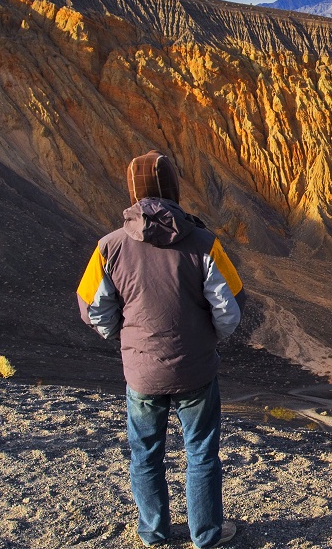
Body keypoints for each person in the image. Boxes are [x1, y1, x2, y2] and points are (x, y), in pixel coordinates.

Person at [75, 150, 245, 548]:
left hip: (141, 374)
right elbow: (230, 305)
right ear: (173, 188)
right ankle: (206, 535)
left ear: (133, 192)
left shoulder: (108, 247)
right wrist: (207, 340)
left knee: (145, 454)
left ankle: (153, 532)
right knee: (201, 453)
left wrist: (125, 338)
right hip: (196, 371)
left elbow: (92, 307)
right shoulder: (204, 243)